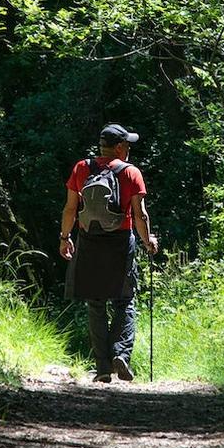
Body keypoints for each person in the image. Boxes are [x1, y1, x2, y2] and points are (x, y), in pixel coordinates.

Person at [59, 123, 159, 383]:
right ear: (119, 147)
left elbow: (70, 209)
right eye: (127, 144)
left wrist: (65, 238)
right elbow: (140, 214)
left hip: (89, 240)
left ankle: (102, 367)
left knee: (96, 303)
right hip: (119, 242)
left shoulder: (82, 168)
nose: (129, 149)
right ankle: (121, 354)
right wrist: (148, 240)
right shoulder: (130, 173)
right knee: (125, 301)